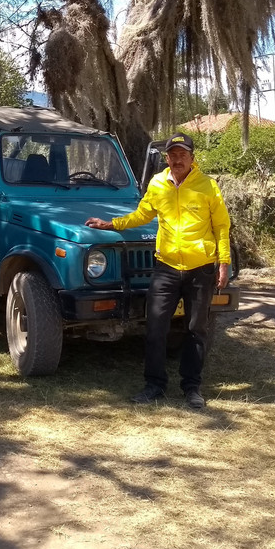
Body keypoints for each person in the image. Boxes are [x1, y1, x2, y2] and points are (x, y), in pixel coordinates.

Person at [85, 132, 230, 409]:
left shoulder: (208, 186)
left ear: (192, 157)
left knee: (196, 329)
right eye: (173, 154)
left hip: (201, 268)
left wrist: (223, 263)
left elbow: (222, 227)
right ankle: (154, 385)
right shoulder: (158, 183)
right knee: (155, 328)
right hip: (166, 267)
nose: (177, 159)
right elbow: (142, 215)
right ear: (166, 158)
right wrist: (111, 224)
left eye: (182, 154)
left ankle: (191, 388)